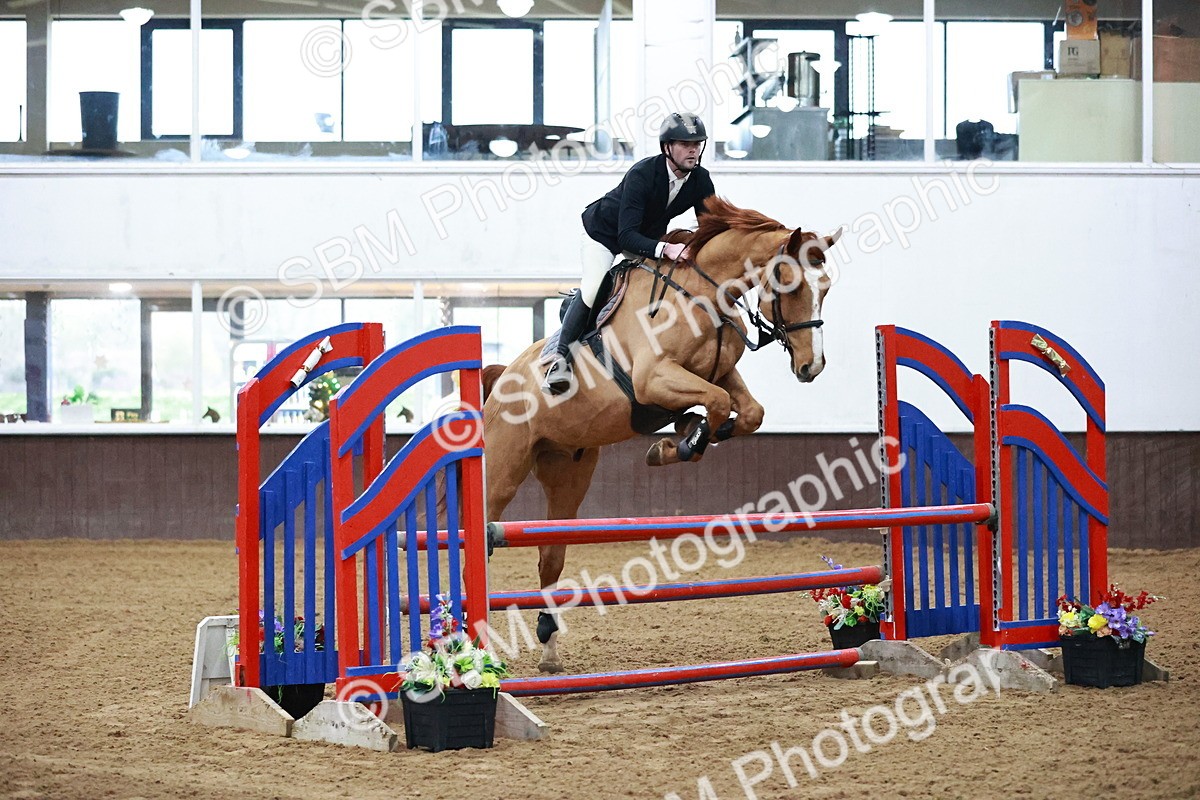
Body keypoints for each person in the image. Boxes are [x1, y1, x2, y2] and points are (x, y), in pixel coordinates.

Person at [541, 111, 717, 395]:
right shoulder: (642, 174)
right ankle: (559, 359)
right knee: (595, 285)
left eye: (697, 144)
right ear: (667, 147)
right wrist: (666, 248)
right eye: (685, 144)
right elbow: (625, 237)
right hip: (604, 233)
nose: (693, 150)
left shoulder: (700, 180)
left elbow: (709, 227)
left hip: (645, 235)